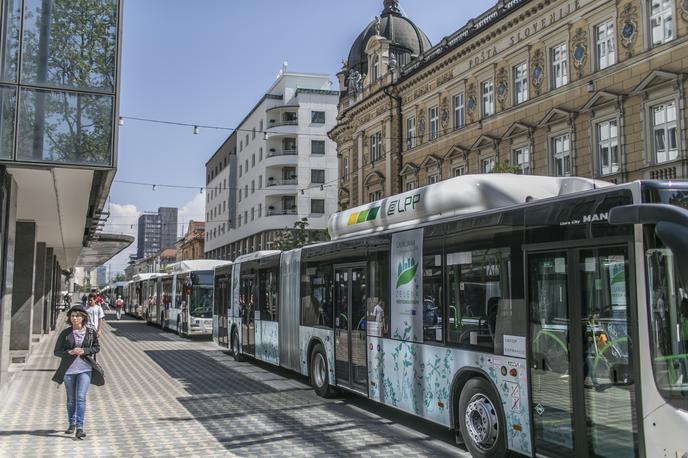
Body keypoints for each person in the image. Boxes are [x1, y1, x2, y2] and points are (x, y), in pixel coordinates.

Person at [52, 305, 102, 439]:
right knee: (71, 399)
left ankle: (80, 427)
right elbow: (56, 351)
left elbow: (96, 348)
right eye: (72, 316)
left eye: (77, 316)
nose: (74, 318)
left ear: (83, 317)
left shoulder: (90, 332)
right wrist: (68, 352)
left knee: (80, 397)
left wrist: (84, 351)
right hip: (69, 370)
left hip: (85, 369)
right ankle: (72, 423)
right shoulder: (65, 333)